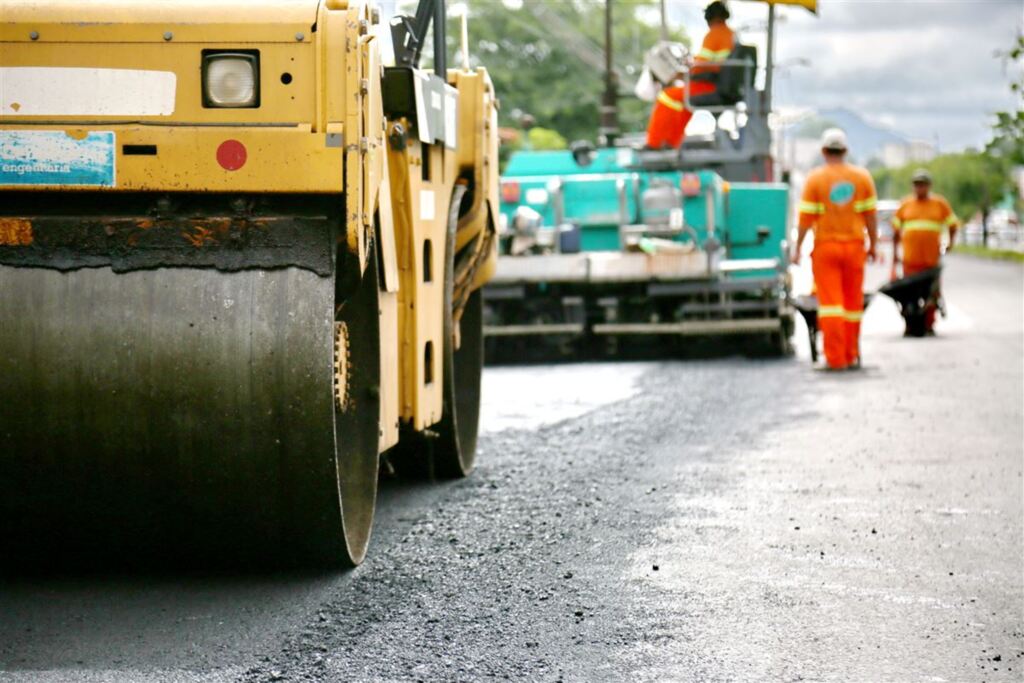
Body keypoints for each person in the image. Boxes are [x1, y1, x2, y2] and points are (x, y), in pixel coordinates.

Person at [793, 128, 879, 371]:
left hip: (826, 248)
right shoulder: (862, 178)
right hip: (855, 248)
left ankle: (836, 359)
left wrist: (797, 248)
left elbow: (805, 220)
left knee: (831, 306)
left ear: (823, 151)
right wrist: (873, 245)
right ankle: (851, 355)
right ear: (845, 151)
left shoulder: (815, 179)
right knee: (852, 305)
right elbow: (871, 217)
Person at [645, 1, 734, 149]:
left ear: (709, 17)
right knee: (685, 104)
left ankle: (654, 144)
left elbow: (702, 65)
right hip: (720, 84)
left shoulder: (714, 34)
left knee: (666, 96)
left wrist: (686, 69)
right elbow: (711, 62)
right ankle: (670, 144)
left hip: (710, 86)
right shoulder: (731, 34)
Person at [891, 168, 959, 334]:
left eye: (922, 184)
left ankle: (929, 324)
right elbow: (895, 232)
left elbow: (952, 225)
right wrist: (895, 256)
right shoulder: (906, 205)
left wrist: (950, 243)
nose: (919, 188)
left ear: (929, 186)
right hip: (910, 261)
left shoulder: (939, 204)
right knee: (909, 294)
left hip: (931, 260)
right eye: (917, 184)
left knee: (932, 292)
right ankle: (909, 325)